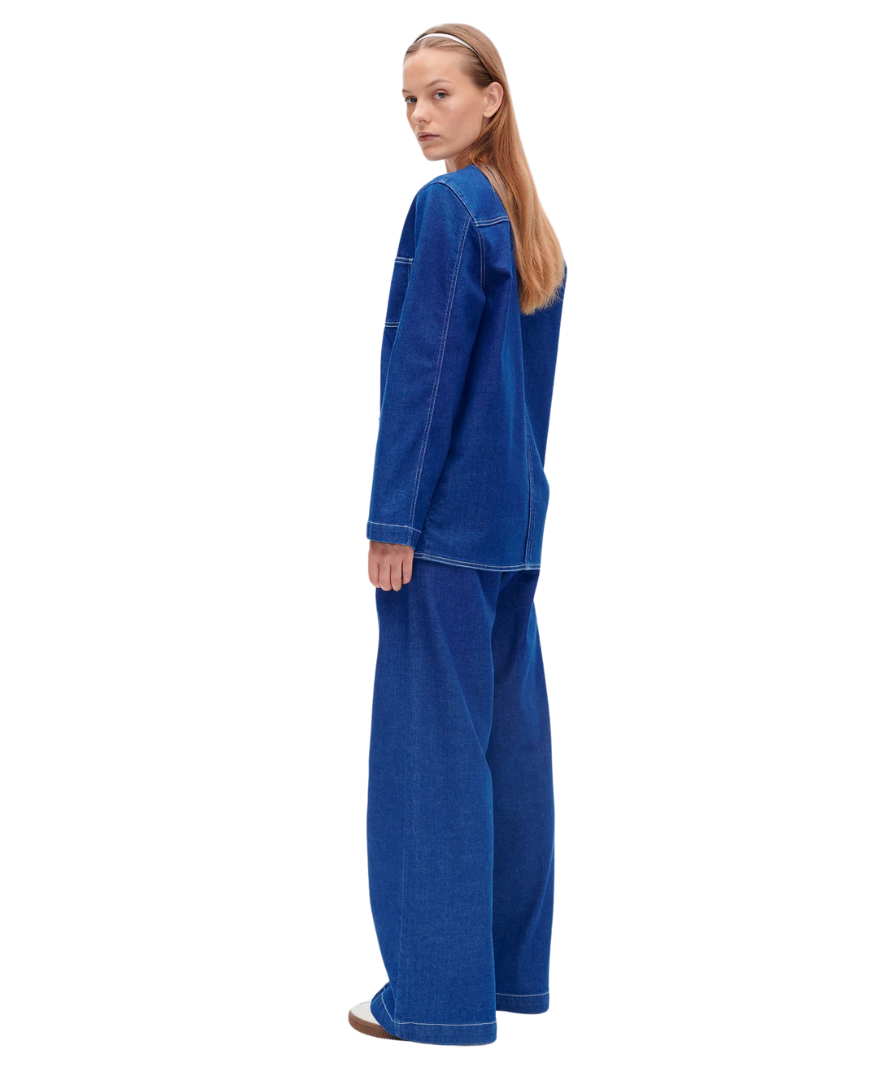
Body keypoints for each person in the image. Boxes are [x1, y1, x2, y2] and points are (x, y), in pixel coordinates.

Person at [348, 24, 567, 1047]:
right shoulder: (526, 222)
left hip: (439, 535)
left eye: (439, 93)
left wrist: (393, 520)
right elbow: (530, 399)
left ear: (492, 98)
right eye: (408, 98)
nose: (420, 116)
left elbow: (424, 376)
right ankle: (507, 977)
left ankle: (436, 998)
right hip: (510, 526)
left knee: (430, 761)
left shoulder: (447, 210)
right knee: (505, 754)